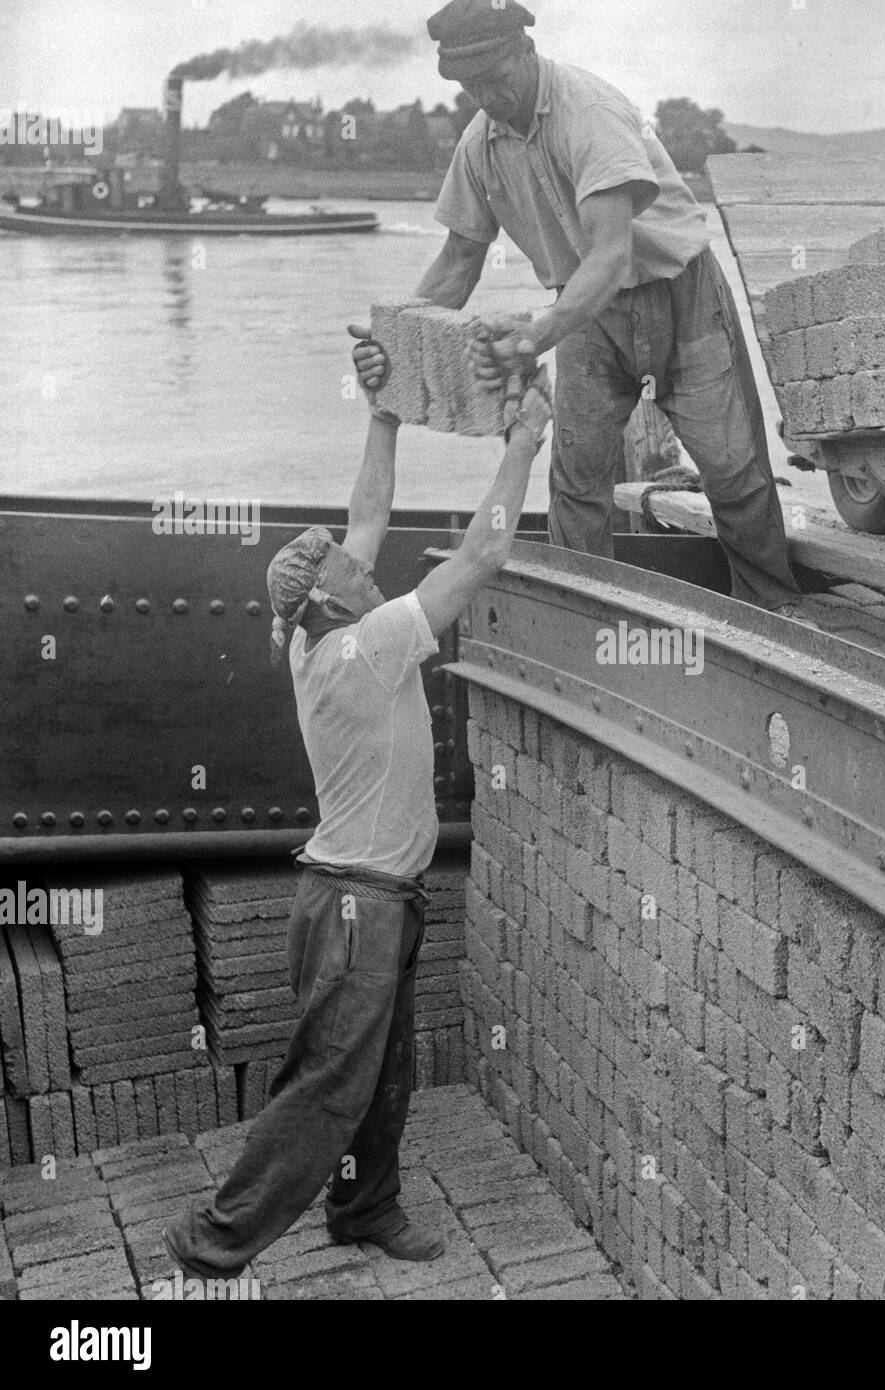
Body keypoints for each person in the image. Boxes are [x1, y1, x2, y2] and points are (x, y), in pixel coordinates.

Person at [163, 346, 553, 1282]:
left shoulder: (318, 633)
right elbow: (485, 552)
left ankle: (363, 1206)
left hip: (373, 899)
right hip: (355, 909)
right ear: (338, 596)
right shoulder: (371, 646)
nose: (364, 557)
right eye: (351, 563)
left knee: (383, 1077)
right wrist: (525, 441)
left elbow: (367, 515)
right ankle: (211, 1244)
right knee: (329, 1088)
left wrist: (384, 407)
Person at [352, 0, 805, 615]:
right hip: (584, 310)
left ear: (525, 49)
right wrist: (394, 341)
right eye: (470, 87)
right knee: (577, 478)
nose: (486, 97)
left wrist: (534, 337)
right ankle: (589, 618)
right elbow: (459, 261)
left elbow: (611, 257)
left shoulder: (587, 113)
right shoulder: (480, 146)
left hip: (679, 295)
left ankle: (775, 614)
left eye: (495, 78)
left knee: (734, 473)